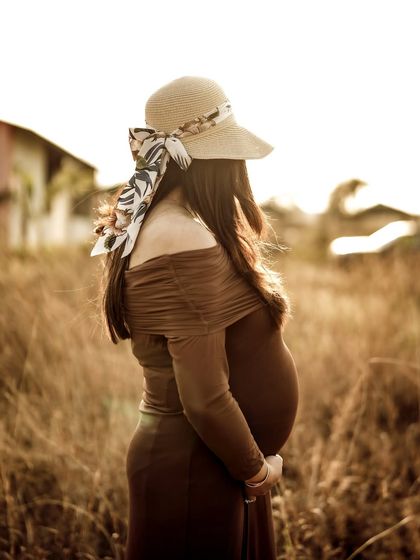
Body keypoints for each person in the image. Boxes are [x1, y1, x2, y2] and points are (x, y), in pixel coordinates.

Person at [91, 76, 299, 560]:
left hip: (212, 460)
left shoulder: (174, 224)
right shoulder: (177, 234)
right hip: (197, 465)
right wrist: (254, 470)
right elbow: (203, 396)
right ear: (213, 161)